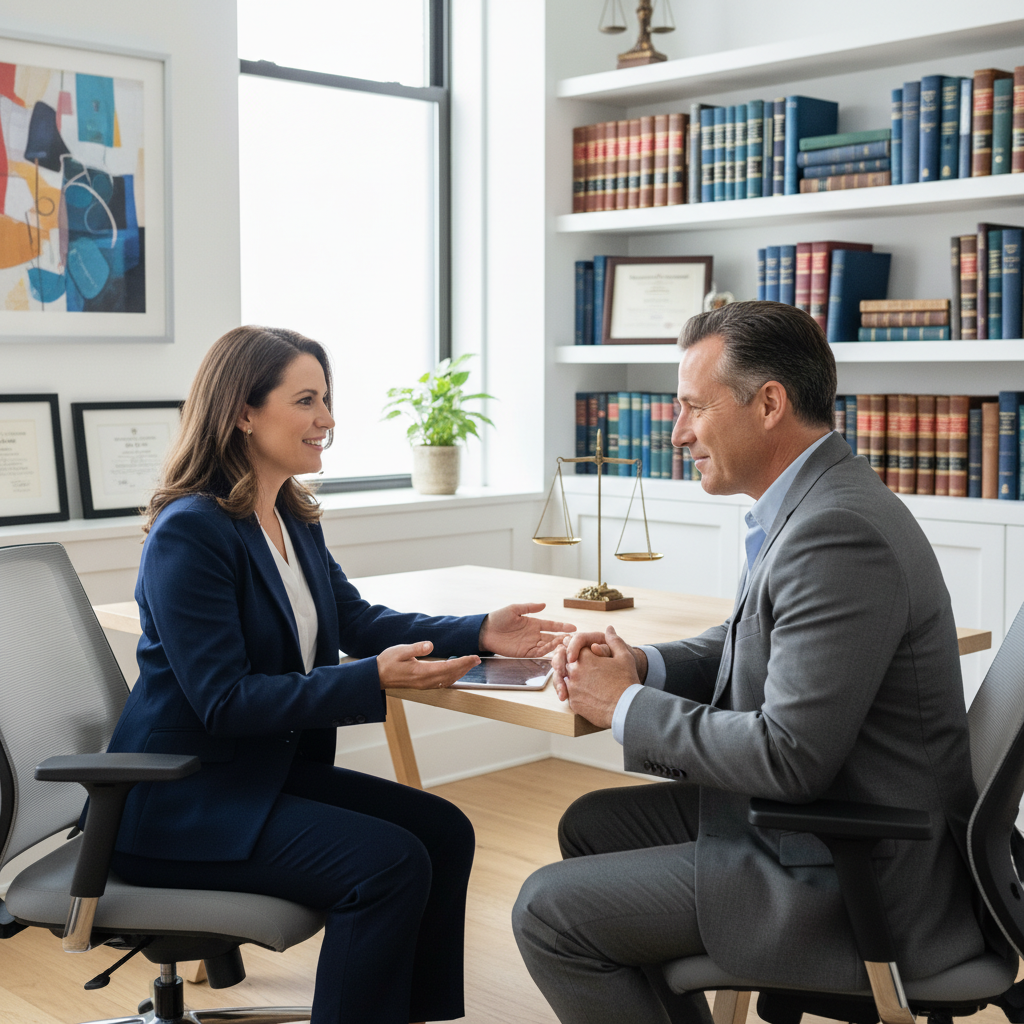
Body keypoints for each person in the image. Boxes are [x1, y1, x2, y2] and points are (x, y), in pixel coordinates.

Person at [511, 301, 988, 1024]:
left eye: (692, 408)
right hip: (833, 824)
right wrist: (643, 664)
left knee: (547, 911)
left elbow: (790, 757)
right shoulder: (815, 501)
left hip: (856, 870)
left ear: (769, 404)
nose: (677, 433)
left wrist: (624, 707)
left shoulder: (836, 532)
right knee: (591, 825)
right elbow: (752, 639)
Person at [105, 325, 575, 1024]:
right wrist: (372, 683)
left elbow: (356, 621)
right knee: (387, 865)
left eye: (326, 398)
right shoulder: (191, 532)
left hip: (260, 778)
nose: (327, 419)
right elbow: (223, 702)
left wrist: (478, 630)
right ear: (242, 411)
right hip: (184, 803)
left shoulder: (290, 514)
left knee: (443, 832)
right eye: (306, 400)